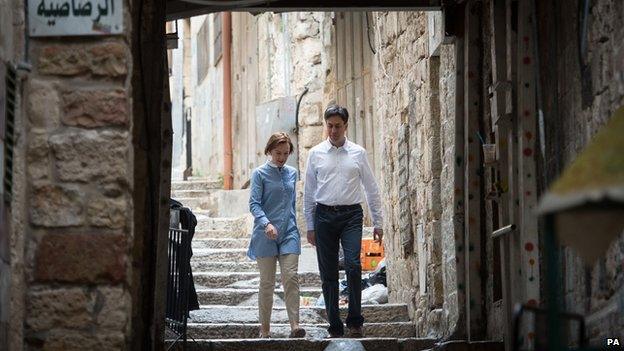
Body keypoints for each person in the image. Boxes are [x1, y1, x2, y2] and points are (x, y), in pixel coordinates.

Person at [304, 104, 384, 338]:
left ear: (346, 126)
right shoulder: (315, 154)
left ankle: (355, 320)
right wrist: (310, 226)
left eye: (338, 126)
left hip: (351, 215)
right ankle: (334, 325)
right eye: (329, 126)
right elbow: (309, 192)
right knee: (327, 272)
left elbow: (371, 188)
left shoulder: (358, 153)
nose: (333, 130)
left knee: (353, 264)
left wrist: (378, 222)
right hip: (324, 216)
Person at [248, 132, 306, 339]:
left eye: (286, 153)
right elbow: (254, 203)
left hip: (289, 231)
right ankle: (264, 329)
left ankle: (295, 325)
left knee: (291, 276)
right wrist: (266, 223)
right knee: (267, 282)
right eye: (278, 153)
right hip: (265, 235)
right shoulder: (259, 174)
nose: (281, 157)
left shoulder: (292, 173)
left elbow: (291, 204)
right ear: (269, 151)